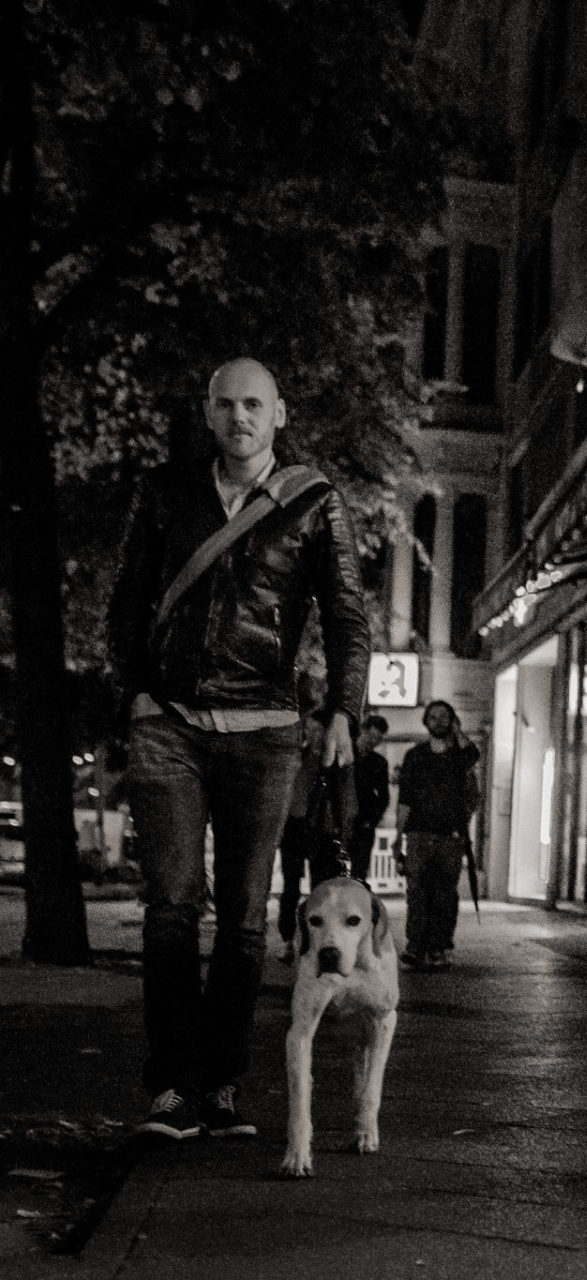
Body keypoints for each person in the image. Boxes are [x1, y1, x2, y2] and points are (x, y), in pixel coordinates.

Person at [107, 357, 369, 1141]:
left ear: (279, 414)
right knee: (170, 910)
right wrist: (136, 693)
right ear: (208, 412)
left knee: (247, 922)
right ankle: (170, 1089)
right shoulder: (163, 492)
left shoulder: (315, 503)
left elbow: (348, 615)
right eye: (225, 404)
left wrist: (344, 713)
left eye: (253, 404)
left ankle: (219, 1086)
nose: (239, 417)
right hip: (172, 726)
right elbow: (126, 597)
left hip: (265, 732)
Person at [395, 701, 479, 971]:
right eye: (433, 717)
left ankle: (440, 947)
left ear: (453, 721)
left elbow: (474, 754)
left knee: (445, 893)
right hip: (418, 834)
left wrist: (459, 732)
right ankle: (415, 947)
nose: (438, 721)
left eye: (444, 717)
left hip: (450, 836)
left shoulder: (459, 755)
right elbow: (405, 798)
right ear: (425, 721)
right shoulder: (415, 756)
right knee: (416, 892)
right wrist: (398, 835)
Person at [276, 695, 335, 965]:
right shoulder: (292, 758)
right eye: (309, 729)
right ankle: (288, 939)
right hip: (293, 825)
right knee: (291, 886)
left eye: (317, 731)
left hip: (318, 826)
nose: (313, 734)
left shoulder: (326, 762)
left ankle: (316, 941)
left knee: (319, 888)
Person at [347, 715, 391, 881]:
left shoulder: (379, 763)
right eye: (372, 736)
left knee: (359, 870)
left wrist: (371, 820)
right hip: (343, 818)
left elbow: (384, 796)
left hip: (363, 823)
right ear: (363, 731)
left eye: (378, 739)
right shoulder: (346, 753)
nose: (374, 742)